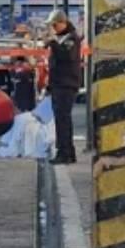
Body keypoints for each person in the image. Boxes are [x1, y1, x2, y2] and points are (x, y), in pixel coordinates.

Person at [44, 9, 81, 165]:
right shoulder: (63, 38)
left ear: (62, 22)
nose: (53, 28)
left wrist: (52, 43)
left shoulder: (71, 38)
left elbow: (67, 57)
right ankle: (68, 152)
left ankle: (64, 153)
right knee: (62, 120)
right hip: (59, 84)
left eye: (54, 24)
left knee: (62, 121)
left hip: (66, 85)